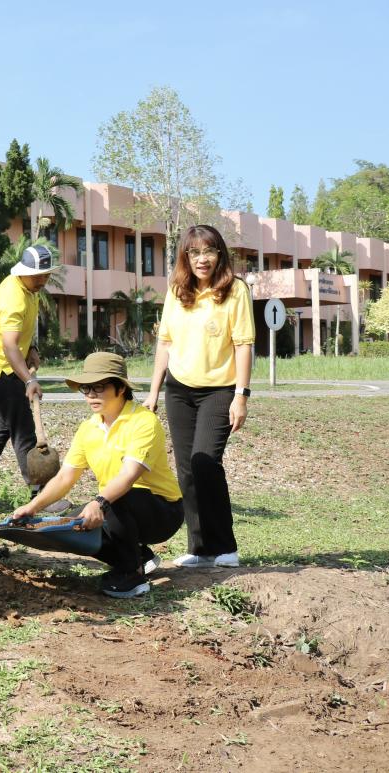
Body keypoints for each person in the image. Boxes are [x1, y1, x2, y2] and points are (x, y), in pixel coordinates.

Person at [13, 352, 184, 598]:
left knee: (111, 502)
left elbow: (128, 476)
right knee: (73, 525)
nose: (91, 395)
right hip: (117, 506)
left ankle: (132, 576)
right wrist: (32, 507)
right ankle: (139, 557)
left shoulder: (144, 422)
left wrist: (99, 502)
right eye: (86, 388)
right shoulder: (88, 428)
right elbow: (64, 478)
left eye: (99, 387)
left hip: (163, 511)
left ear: (120, 388)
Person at [143, 225, 255, 569]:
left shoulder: (234, 291)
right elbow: (165, 343)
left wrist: (241, 396)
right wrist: (153, 393)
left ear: (219, 254)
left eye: (208, 251)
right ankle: (198, 547)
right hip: (180, 390)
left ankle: (225, 546)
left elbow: (244, 344)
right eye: (194, 252)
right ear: (185, 257)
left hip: (219, 390)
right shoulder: (177, 291)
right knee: (186, 470)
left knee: (205, 462)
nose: (202, 259)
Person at [0, 244, 56, 506]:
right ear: (23, 272)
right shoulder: (13, 297)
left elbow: (22, 335)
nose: (42, 280)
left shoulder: (30, 288)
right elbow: (9, 345)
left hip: (0, 365)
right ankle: (42, 495)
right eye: (37, 275)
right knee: (23, 430)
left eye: (46, 275)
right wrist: (28, 379)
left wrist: (33, 348)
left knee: (0, 429)